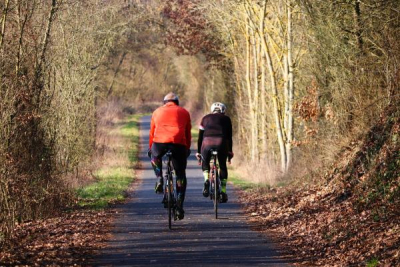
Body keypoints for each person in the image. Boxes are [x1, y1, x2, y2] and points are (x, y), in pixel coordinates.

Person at [148, 92, 192, 220]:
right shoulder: (184, 112)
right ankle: (179, 205)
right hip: (178, 144)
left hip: (159, 143)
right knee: (180, 174)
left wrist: (151, 148)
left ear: (164, 102)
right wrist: (187, 148)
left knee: (155, 156)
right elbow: (187, 133)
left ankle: (159, 178)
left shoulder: (157, 112)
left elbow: (152, 132)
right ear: (177, 102)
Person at [196, 102, 233, 203]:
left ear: (212, 110)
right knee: (222, 166)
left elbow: (200, 138)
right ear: (223, 110)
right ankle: (224, 191)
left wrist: (199, 152)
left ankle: (206, 179)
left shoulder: (205, 118)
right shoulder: (226, 119)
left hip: (207, 143)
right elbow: (229, 138)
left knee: (205, 161)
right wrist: (230, 152)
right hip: (221, 143)